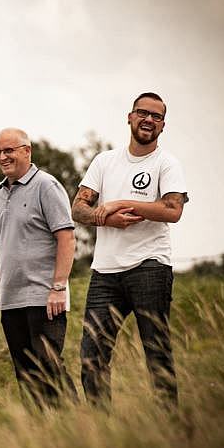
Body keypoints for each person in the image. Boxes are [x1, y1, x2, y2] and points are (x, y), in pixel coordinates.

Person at [72, 92, 188, 408]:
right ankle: (102, 432)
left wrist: (123, 203)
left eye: (156, 116)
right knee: (91, 356)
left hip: (149, 267)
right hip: (105, 273)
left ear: (163, 125)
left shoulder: (167, 163)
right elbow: (78, 208)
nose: (148, 120)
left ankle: (170, 428)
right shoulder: (104, 161)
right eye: (142, 113)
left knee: (156, 352)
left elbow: (173, 210)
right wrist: (104, 217)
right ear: (130, 117)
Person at [0, 128, 79, 408]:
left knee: (48, 368)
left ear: (27, 151)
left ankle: (77, 423)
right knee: (26, 375)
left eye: (9, 150)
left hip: (45, 299)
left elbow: (66, 237)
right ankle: (39, 433)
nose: (3, 157)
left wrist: (58, 287)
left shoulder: (47, 185)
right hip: (10, 301)